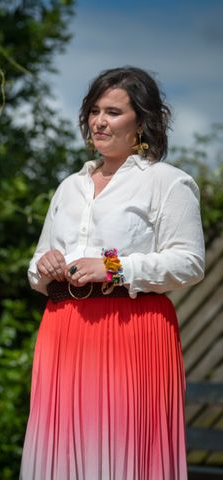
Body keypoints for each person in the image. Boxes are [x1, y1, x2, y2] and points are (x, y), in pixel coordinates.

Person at [21, 67, 205, 479]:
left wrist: (114, 268)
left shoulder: (168, 183)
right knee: (62, 455)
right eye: (94, 111)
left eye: (113, 112)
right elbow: (36, 266)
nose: (99, 121)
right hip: (63, 329)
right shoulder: (70, 186)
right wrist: (45, 265)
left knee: (124, 454)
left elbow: (189, 262)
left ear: (141, 121)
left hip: (131, 331)